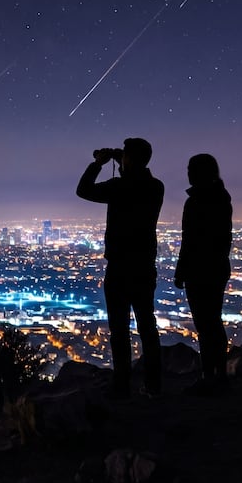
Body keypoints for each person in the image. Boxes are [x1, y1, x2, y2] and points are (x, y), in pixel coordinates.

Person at [77, 138, 165, 398]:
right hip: (144, 266)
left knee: (119, 330)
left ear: (129, 159)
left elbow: (83, 190)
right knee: (147, 326)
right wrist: (122, 160)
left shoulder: (119, 186)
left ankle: (122, 385)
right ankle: (154, 385)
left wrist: (98, 164)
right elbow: (135, 180)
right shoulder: (155, 187)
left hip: (119, 267)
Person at [174, 153, 233, 395]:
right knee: (213, 322)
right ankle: (218, 373)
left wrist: (182, 270)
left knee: (205, 324)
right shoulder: (221, 197)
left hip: (200, 270)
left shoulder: (198, 200)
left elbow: (189, 240)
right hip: (215, 268)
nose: (187, 173)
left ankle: (209, 375)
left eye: (192, 169)